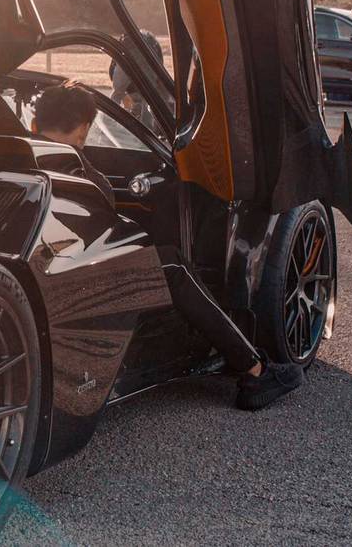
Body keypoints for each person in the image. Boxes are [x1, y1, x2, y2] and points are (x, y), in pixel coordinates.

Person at [33, 82, 304, 411]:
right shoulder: (76, 171)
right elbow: (104, 225)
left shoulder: (11, 157)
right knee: (172, 265)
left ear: (34, 123)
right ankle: (255, 371)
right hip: (81, 287)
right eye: (84, 134)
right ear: (85, 129)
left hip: (38, 278)